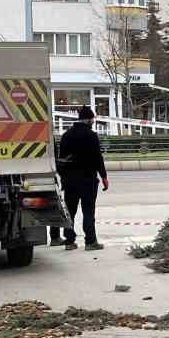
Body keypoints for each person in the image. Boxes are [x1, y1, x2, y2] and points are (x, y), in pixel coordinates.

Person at [55, 106, 109, 250]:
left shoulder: (67, 135)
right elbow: (98, 158)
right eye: (93, 119)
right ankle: (90, 242)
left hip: (70, 181)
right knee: (88, 211)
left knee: (70, 211)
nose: (93, 121)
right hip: (88, 180)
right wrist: (104, 176)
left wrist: (64, 177)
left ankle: (69, 241)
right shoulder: (92, 136)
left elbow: (61, 160)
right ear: (89, 119)